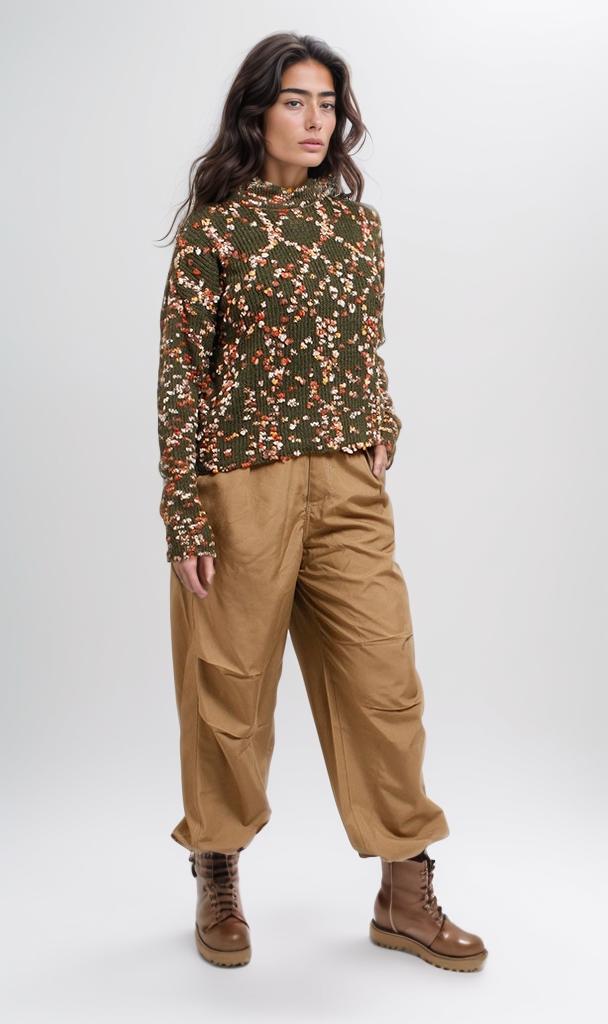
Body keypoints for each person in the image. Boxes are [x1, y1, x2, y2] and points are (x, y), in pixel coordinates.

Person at [156, 32, 488, 973]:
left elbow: (364, 343)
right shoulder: (215, 230)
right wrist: (184, 511)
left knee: (385, 683)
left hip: (346, 484)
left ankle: (405, 891)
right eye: (295, 101)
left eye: (328, 103)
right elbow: (182, 374)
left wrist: (382, 419)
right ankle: (217, 870)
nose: (315, 120)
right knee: (228, 692)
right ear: (256, 111)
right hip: (242, 484)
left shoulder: (356, 227)